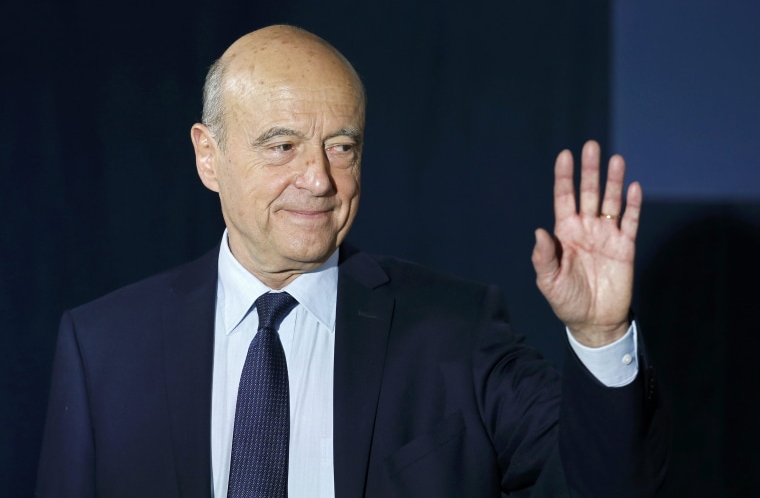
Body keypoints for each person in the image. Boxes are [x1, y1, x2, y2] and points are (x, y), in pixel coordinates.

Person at [36, 25, 666, 497]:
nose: (319, 179)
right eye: (282, 146)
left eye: (341, 146)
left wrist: (599, 335)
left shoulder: (456, 330)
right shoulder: (105, 347)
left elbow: (606, 485)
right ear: (209, 156)